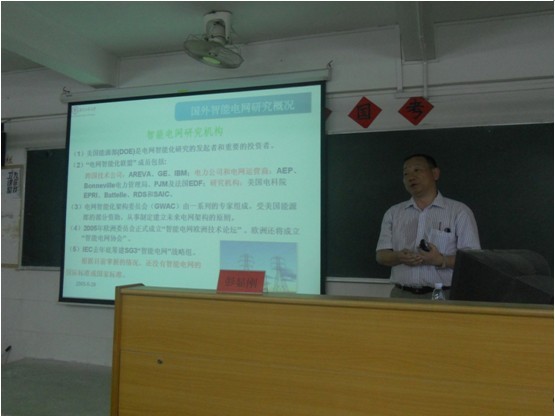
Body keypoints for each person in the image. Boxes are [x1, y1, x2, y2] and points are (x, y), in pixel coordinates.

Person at [376, 154, 481, 299]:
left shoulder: (459, 211)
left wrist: (440, 260)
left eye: (417, 170)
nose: (411, 177)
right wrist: (398, 257)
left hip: (443, 295)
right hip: (401, 295)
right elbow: (381, 255)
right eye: (406, 173)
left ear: (435, 174)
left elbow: (473, 261)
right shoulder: (393, 213)